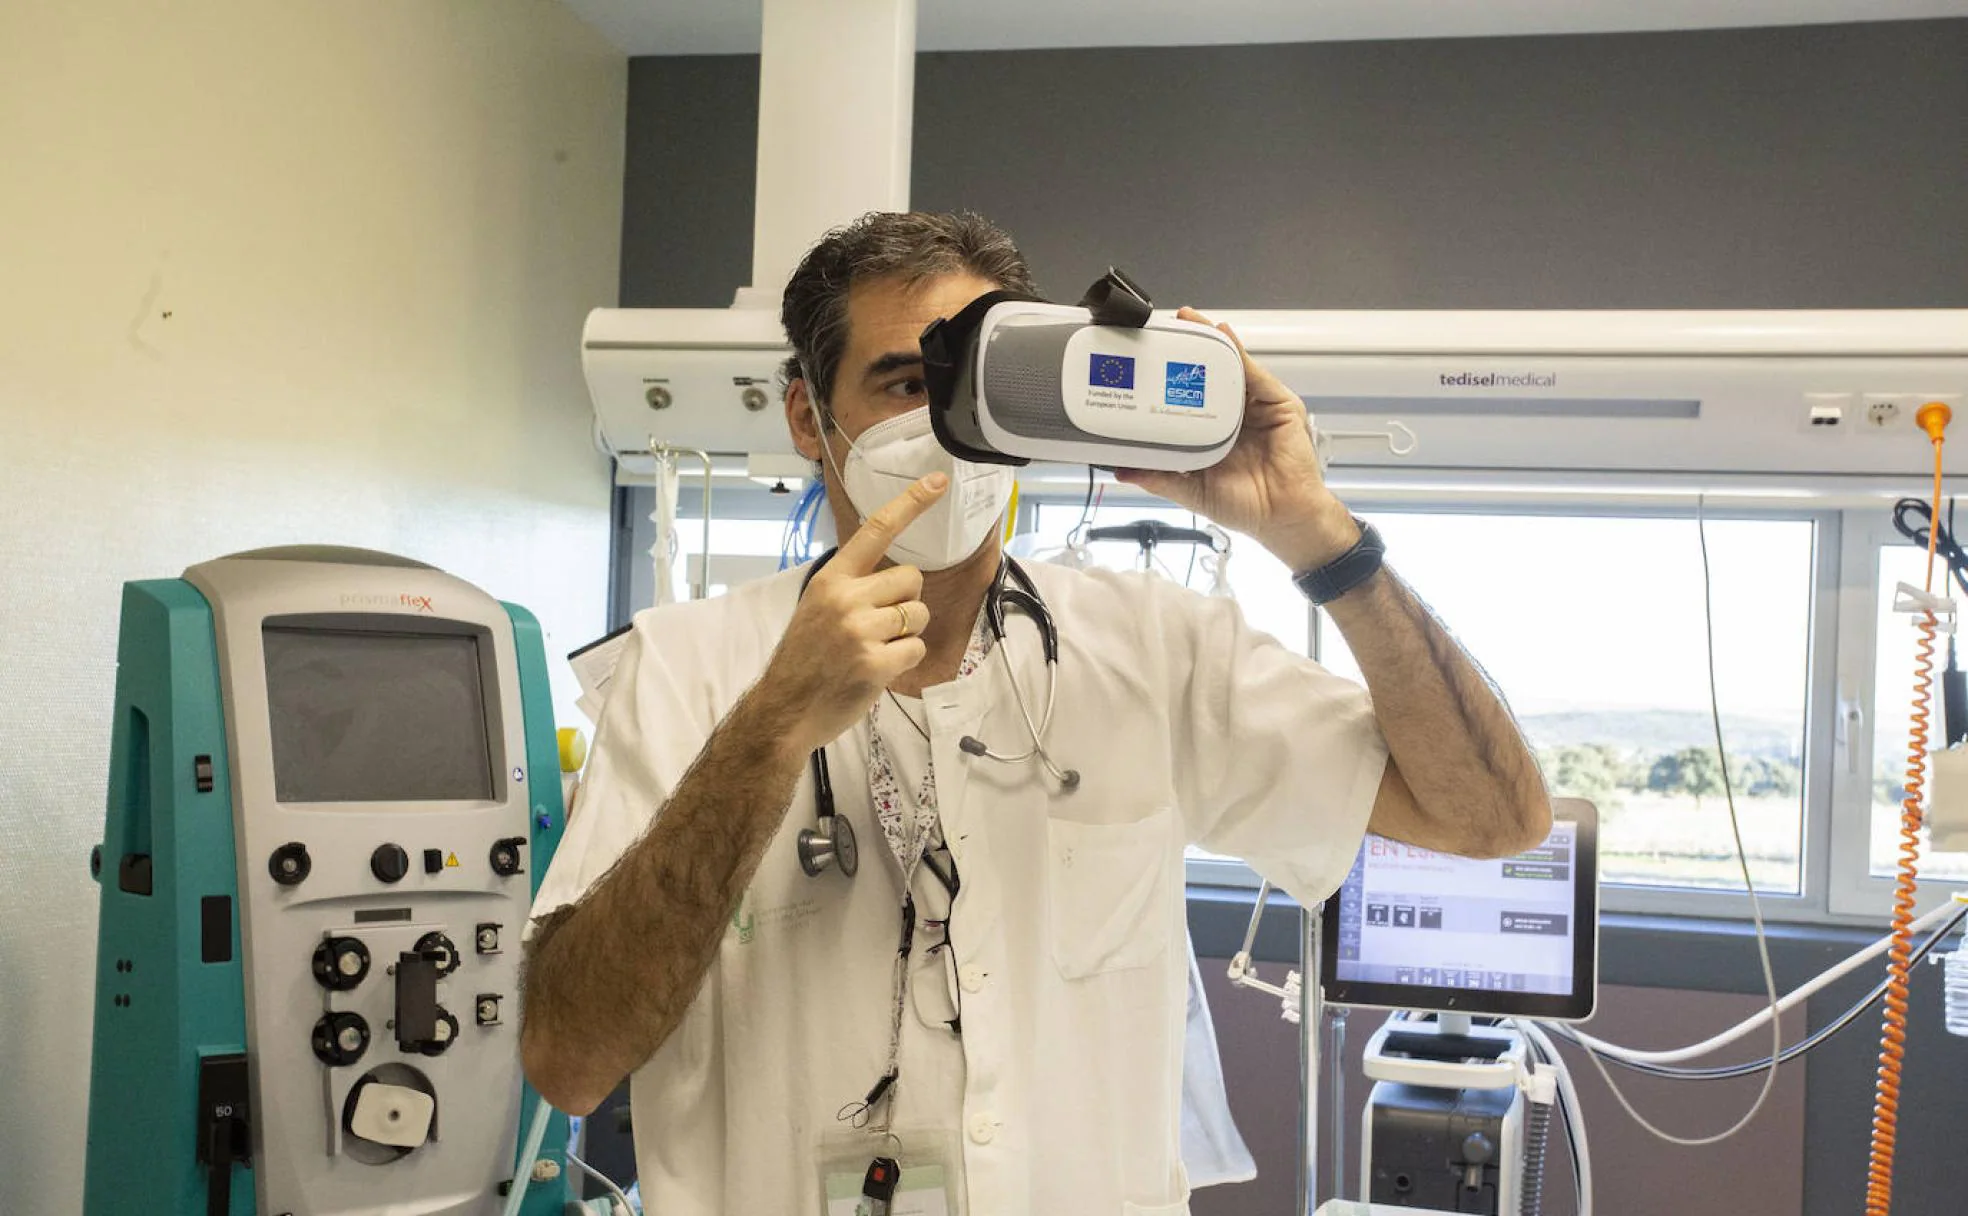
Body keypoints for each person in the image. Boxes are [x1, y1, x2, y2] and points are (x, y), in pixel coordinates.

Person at [521, 211, 1550, 1215]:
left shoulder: (1157, 649)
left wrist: (1319, 535)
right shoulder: (684, 668)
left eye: (976, 386)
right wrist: (769, 732)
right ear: (807, 419)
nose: (946, 424)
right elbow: (569, 1058)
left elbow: (1490, 818)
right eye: (903, 383)